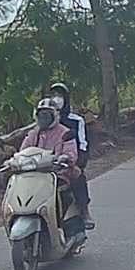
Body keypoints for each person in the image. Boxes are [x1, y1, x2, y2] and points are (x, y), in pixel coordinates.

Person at [23, 98, 84, 239]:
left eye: (47, 115)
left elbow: (71, 153)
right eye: (41, 115)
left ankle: (70, 229)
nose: (44, 118)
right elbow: (23, 151)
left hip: (57, 175)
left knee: (63, 196)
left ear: (55, 115)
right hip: (34, 177)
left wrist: (65, 158)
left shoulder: (65, 133)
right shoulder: (33, 134)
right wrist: (14, 160)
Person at [46, 83, 93, 229]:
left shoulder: (76, 120)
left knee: (78, 177)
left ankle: (84, 210)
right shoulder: (44, 120)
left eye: (60, 96)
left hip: (68, 162)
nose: (56, 99)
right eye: (54, 95)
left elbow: (83, 145)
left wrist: (78, 163)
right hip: (45, 163)